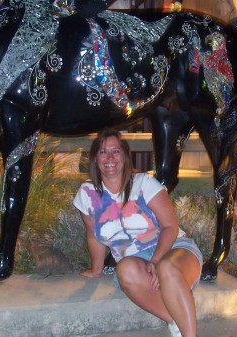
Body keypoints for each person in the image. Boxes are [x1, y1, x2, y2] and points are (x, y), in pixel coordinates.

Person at [73, 128, 203, 337]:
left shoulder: (143, 183)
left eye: (116, 151)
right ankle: (176, 321)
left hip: (173, 249)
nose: (110, 158)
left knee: (167, 268)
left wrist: (157, 260)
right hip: (135, 262)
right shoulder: (86, 194)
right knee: (124, 269)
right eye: (103, 152)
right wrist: (96, 270)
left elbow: (170, 226)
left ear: (125, 156)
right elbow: (92, 235)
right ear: (95, 158)